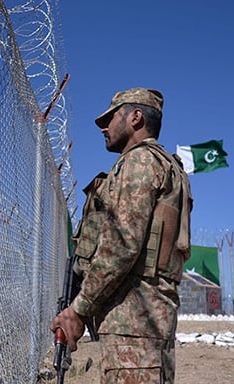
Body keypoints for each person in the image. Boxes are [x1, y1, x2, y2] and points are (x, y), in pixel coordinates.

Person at [50, 87, 193, 383]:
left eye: (111, 117)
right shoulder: (166, 165)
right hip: (146, 321)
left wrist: (78, 309)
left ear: (135, 118)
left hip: (134, 319)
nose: (103, 127)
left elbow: (121, 245)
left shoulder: (139, 162)